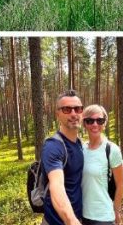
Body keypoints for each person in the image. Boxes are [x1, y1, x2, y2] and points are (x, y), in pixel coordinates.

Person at [41, 90, 85, 225]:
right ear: (58, 114)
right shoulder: (53, 147)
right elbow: (57, 186)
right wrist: (71, 220)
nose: (73, 114)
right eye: (67, 109)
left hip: (77, 217)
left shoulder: (79, 143)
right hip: (58, 221)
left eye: (77, 109)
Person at [81, 104, 123, 225]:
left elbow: (120, 184)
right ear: (84, 124)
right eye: (90, 120)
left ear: (104, 123)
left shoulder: (112, 150)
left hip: (103, 217)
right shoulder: (81, 149)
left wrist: (117, 211)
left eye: (99, 120)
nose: (95, 124)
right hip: (81, 215)